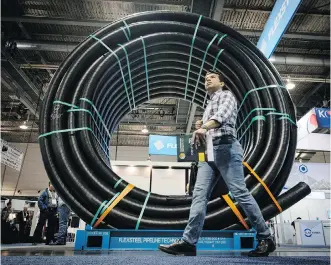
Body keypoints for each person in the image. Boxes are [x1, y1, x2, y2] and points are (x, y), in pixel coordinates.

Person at [158, 70, 275, 257]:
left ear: (222, 83)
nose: (207, 80)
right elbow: (210, 125)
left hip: (226, 149)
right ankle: (189, 242)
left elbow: (222, 116)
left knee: (239, 193)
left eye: (212, 77)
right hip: (208, 154)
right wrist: (201, 125)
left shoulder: (227, 95)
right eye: (205, 78)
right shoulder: (209, 104)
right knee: (199, 196)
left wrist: (204, 126)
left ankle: (265, 237)